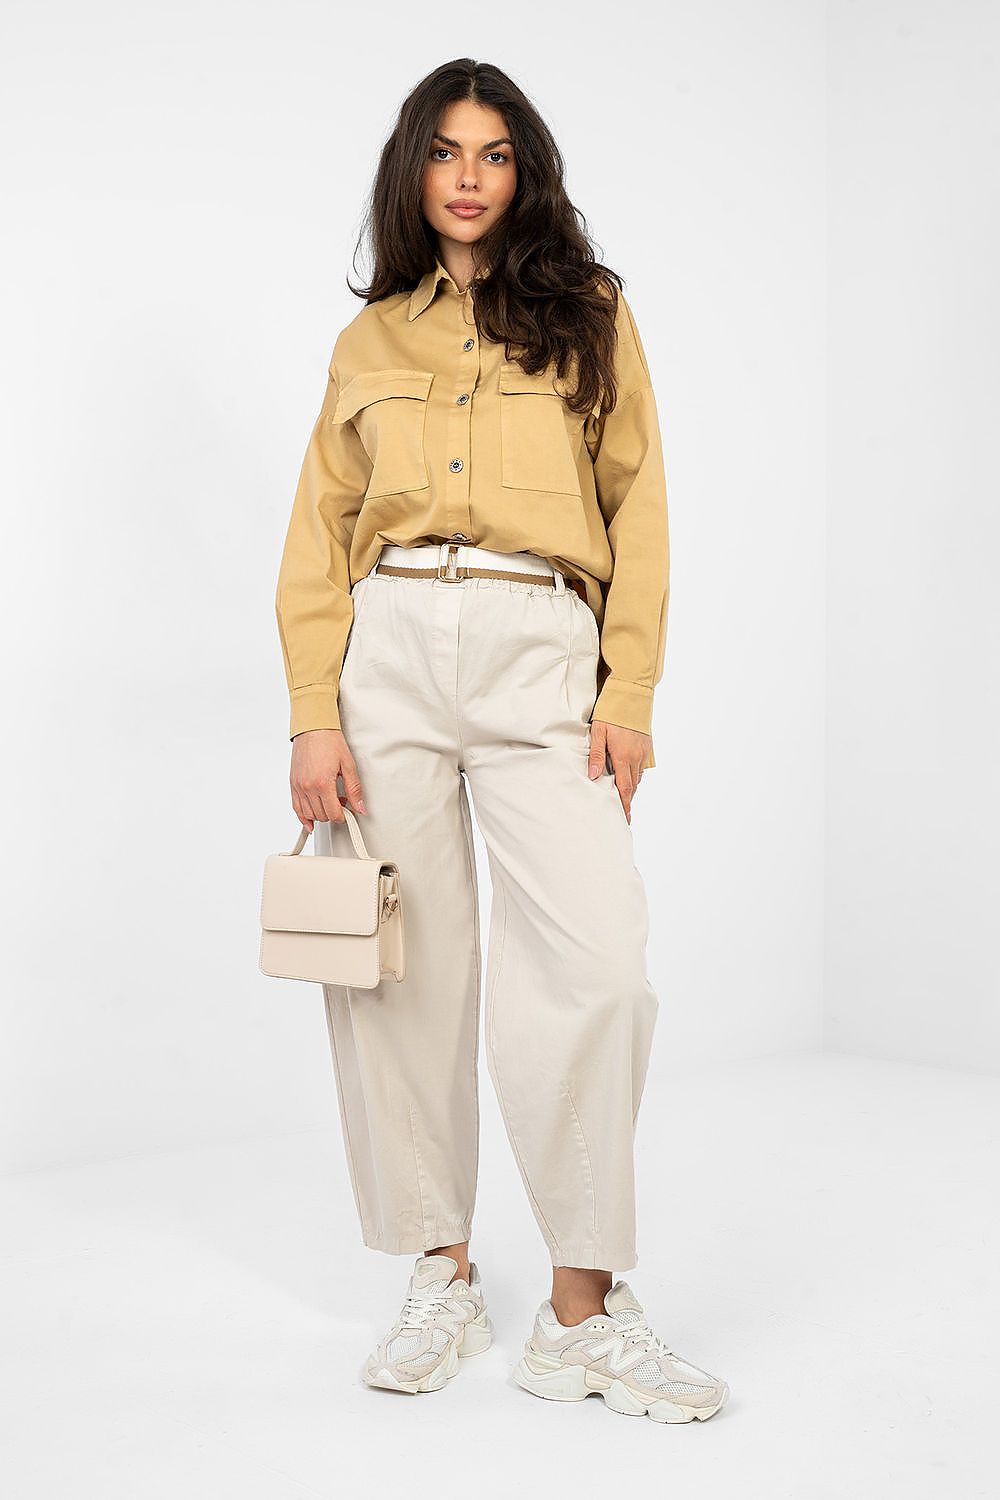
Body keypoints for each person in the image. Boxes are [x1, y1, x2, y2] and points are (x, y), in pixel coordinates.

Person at [274, 57, 729, 1423]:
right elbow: (317, 538)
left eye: (494, 153)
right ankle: (443, 1271)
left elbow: (639, 506)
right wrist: (313, 712)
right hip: (391, 651)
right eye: (444, 152)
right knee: (399, 974)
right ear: (412, 171)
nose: (467, 177)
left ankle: (582, 1312)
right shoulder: (369, 342)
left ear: (525, 171)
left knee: (598, 968)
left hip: (543, 650)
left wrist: (628, 692)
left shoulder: (590, 315)